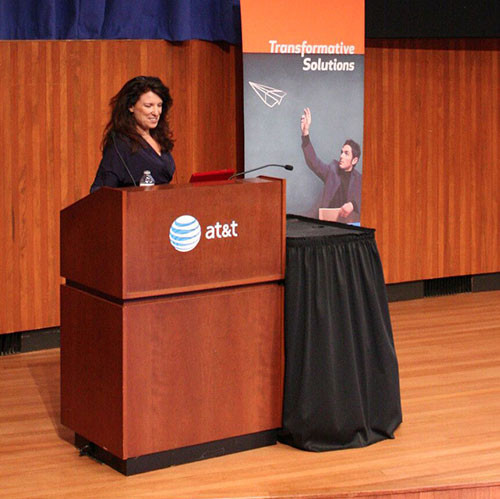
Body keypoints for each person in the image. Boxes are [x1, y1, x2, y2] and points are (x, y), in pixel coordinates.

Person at [90, 76, 175, 192]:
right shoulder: (120, 144)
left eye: (159, 105)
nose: (156, 112)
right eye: (149, 106)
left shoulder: (159, 137)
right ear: (131, 106)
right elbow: (101, 191)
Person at [300, 107, 362, 223]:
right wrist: (305, 134)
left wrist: (353, 205)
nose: (341, 156)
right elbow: (313, 161)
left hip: (347, 227)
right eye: (341, 152)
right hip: (325, 224)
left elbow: (371, 199)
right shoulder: (332, 170)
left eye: (346, 153)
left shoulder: (360, 180)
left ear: (354, 160)